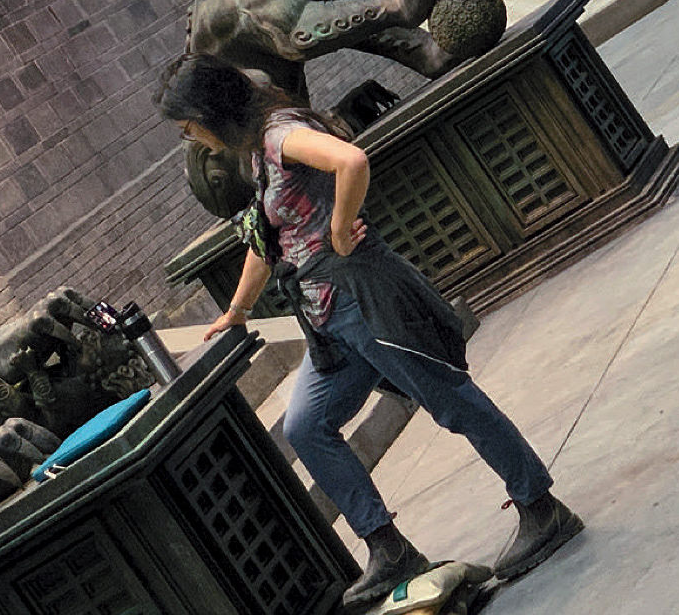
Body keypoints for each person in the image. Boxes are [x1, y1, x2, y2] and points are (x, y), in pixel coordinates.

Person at [155, 53, 583, 607]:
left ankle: (542, 509)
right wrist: (236, 310)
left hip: (363, 298)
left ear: (211, 112)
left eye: (188, 125)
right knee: (308, 427)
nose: (190, 137)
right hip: (327, 320)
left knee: (452, 402)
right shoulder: (255, 155)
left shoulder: (281, 135)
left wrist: (337, 228)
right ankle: (388, 548)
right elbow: (267, 239)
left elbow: (351, 161)